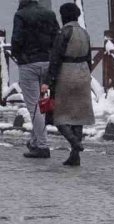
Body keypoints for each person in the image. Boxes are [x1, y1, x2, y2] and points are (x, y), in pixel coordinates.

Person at [40, 3, 95, 167]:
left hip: (66, 74)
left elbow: (55, 58)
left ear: (63, 16)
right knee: (79, 116)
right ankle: (75, 156)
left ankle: (74, 143)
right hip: (83, 73)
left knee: (59, 115)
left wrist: (47, 82)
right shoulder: (84, 33)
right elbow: (89, 57)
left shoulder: (63, 33)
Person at [10, 0, 59, 159]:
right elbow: (56, 38)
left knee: (34, 106)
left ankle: (43, 146)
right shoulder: (49, 14)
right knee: (43, 104)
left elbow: (16, 40)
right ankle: (35, 141)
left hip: (29, 64)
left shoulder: (20, 15)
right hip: (48, 64)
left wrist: (19, 57)